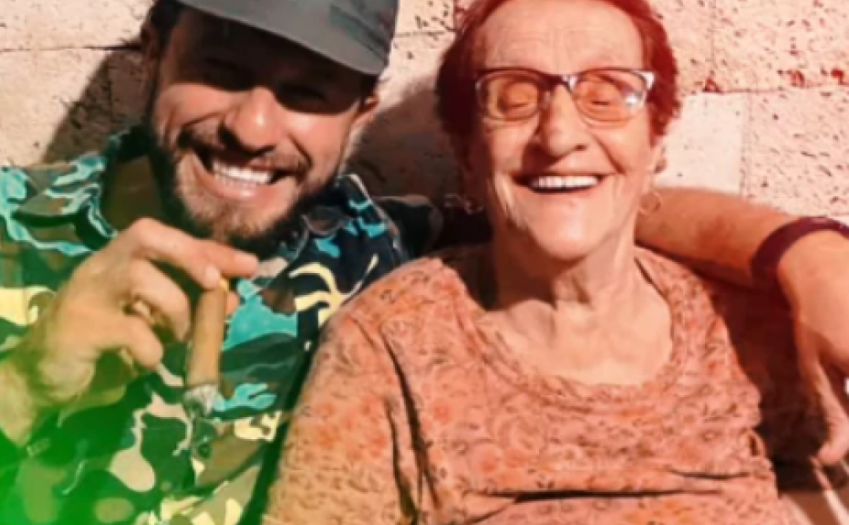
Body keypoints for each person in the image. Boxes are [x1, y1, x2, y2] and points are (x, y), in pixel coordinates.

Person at [0, 0, 849, 524]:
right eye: (223, 70)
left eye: (308, 92)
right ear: (154, 51)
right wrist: (17, 385)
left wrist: (805, 255)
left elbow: (574, 203)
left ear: (359, 115)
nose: (254, 126)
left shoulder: (376, 245)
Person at [260, 0, 849, 523]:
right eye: (513, 98)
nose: (560, 135)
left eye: (607, 95)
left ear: (656, 140)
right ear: (467, 151)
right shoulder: (392, 346)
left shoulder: (747, 335)